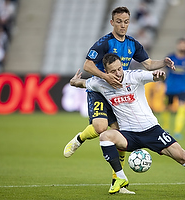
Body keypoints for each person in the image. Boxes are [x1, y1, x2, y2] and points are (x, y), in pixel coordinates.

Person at [70, 53, 185, 196]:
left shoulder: (134, 76)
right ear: (105, 71)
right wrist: (74, 81)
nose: (118, 73)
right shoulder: (100, 83)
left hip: (151, 130)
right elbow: (83, 83)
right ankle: (121, 177)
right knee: (105, 136)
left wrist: (159, 75)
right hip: (128, 134)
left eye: (119, 69)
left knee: (182, 156)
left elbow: (154, 76)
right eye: (113, 71)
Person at [63, 6, 174, 193]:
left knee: (120, 133)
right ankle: (79, 139)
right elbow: (87, 65)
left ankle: (118, 181)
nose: (123, 25)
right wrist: (105, 77)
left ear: (129, 22)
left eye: (126, 22)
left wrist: (163, 62)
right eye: (119, 21)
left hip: (119, 91)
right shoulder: (104, 43)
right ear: (112, 22)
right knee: (100, 128)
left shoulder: (133, 44)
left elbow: (147, 64)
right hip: (101, 88)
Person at [160, 38, 185, 139]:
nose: (182, 46)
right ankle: (166, 128)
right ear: (177, 45)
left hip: (182, 88)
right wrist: (159, 82)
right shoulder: (171, 57)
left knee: (182, 107)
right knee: (166, 108)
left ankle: (178, 131)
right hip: (169, 87)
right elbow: (163, 69)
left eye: (184, 44)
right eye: (181, 44)